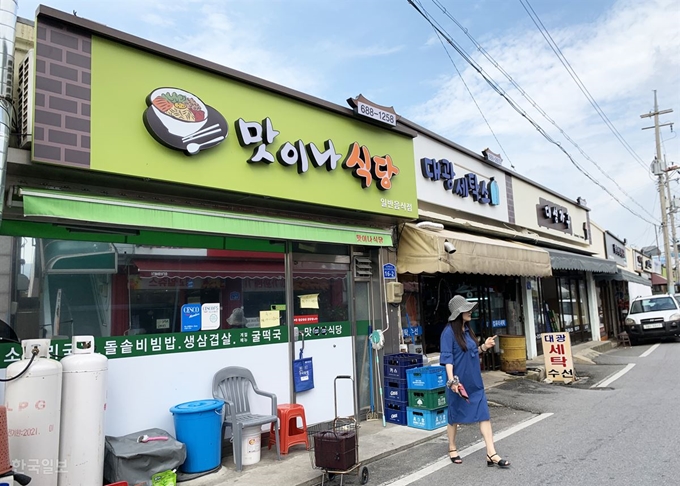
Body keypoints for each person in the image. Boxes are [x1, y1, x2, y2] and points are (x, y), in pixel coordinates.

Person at [440, 294, 510, 468]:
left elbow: (472, 352)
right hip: (459, 383)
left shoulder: (467, 330)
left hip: (475, 381)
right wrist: (452, 382)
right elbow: (448, 360)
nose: (470, 312)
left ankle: (491, 453)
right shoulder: (448, 333)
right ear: (458, 313)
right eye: (466, 309)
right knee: (454, 417)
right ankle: (452, 448)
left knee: (484, 415)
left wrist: (484, 347)